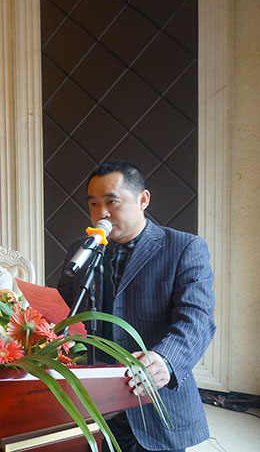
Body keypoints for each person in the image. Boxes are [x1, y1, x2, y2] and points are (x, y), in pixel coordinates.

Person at [57, 160, 215, 452]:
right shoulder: (82, 249)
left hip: (155, 399)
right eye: (93, 204)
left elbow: (198, 318)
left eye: (112, 202)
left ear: (143, 200)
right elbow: (66, 302)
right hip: (97, 401)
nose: (101, 213)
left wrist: (166, 360)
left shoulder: (183, 247)